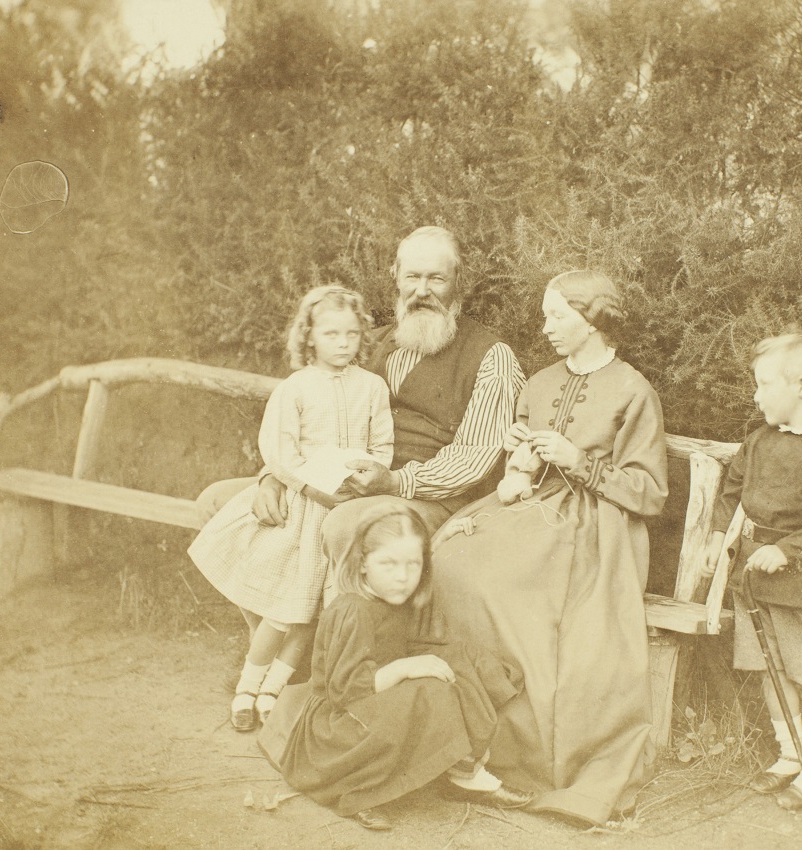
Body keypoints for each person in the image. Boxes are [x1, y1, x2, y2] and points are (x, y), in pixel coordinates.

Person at [430, 270, 669, 826]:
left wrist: (577, 459)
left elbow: (650, 492)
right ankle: (463, 739)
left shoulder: (634, 390)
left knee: (506, 583)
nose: (546, 327)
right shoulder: (536, 383)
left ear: (592, 320)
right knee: (448, 555)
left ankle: (530, 756)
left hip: (593, 521)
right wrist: (518, 459)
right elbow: (521, 453)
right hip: (528, 507)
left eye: (556, 315)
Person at [197, 225, 524, 567]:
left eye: (436, 279)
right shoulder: (363, 344)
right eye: (412, 277)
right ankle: (283, 621)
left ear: (459, 281)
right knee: (217, 501)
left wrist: (397, 481)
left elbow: (474, 458)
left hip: (433, 500)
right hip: (340, 484)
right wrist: (273, 477)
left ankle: (335, 620)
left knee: (346, 524)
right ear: (396, 277)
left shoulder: (491, 357)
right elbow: (311, 413)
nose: (422, 291)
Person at [189, 286, 394, 732]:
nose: (343, 343)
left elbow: (382, 445)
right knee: (285, 608)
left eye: (352, 334)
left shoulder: (372, 387)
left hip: (350, 504)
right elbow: (279, 451)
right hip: (305, 506)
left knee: (308, 613)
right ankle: (247, 687)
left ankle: (272, 692)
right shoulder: (296, 388)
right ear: (310, 337)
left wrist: (370, 473)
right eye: (331, 333)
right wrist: (311, 487)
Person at [257, 505, 533, 831]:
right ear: (362, 565)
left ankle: (462, 768)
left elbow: (412, 556)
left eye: (413, 565)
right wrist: (406, 667)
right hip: (340, 723)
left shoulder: (392, 589)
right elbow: (346, 690)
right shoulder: (353, 611)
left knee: (463, 659)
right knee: (433, 690)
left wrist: (442, 536)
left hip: (376, 689)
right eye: (388, 564)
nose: (402, 577)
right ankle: (362, 789)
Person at [698, 331, 802, 811]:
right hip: (753, 575)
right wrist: (716, 538)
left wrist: (787, 551)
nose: (756, 395)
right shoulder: (760, 440)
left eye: (765, 384)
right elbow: (733, 489)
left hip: (798, 581)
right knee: (771, 667)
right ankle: (789, 757)